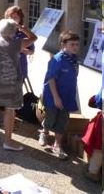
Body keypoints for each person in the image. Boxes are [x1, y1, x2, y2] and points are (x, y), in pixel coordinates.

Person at [0, 19, 37, 151]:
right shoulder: (17, 43)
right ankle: (7, 141)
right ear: (13, 31)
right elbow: (34, 38)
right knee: (10, 111)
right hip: (12, 82)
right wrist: (23, 28)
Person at [38, 31, 80, 159]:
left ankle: (57, 145)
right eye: (72, 44)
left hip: (67, 97)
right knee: (51, 119)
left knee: (62, 121)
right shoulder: (57, 59)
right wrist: (56, 97)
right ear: (63, 44)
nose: (75, 47)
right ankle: (44, 131)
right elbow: (51, 79)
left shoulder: (74, 60)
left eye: (77, 44)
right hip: (53, 97)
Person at [2, 6, 34, 80]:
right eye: (10, 17)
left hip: (20, 69)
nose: (13, 20)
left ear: (20, 18)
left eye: (15, 17)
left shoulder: (25, 32)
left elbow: (31, 51)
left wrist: (22, 50)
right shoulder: (1, 31)